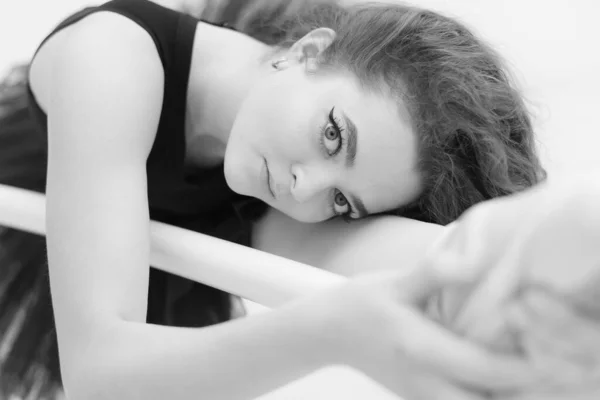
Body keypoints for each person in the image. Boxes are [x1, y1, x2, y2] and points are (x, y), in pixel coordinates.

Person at [0, 0, 547, 398]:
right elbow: (99, 376)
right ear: (310, 50)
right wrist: (333, 330)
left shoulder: (281, 166)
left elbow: (460, 255)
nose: (304, 189)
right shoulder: (111, 57)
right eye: (334, 135)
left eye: (343, 202)